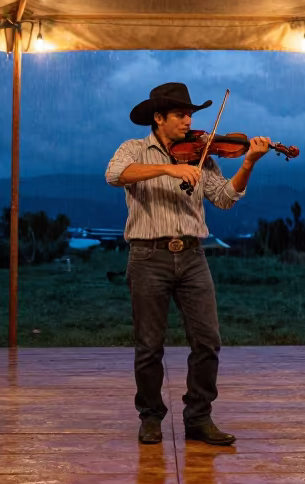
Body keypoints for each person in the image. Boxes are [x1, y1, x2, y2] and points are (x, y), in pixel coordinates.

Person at [106, 82, 273, 447]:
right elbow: (115, 174)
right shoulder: (133, 149)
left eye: (191, 115)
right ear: (159, 117)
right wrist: (168, 170)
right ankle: (150, 417)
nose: (189, 122)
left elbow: (225, 198)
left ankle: (198, 417)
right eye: (181, 115)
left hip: (194, 256)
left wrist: (247, 163)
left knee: (208, 340)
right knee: (149, 344)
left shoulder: (202, 155)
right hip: (148, 255)